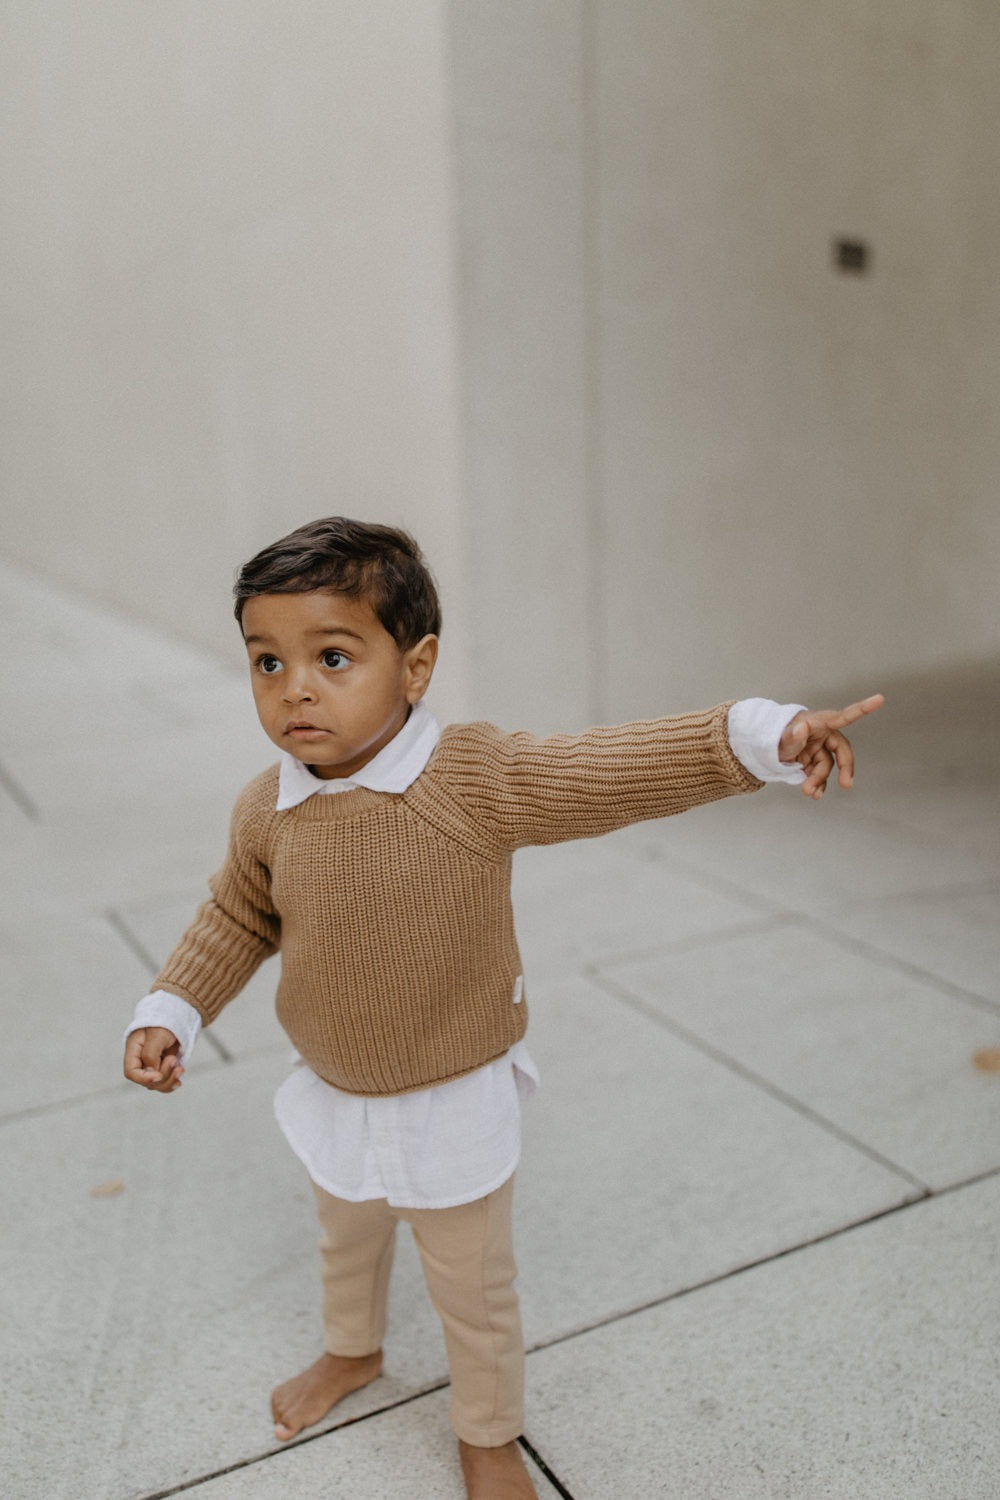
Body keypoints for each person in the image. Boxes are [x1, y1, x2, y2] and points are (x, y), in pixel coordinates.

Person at [122, 516, 884, 1500]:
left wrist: (753, 737)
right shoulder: (266, 810)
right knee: (343, 1240)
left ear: (417, 665)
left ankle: (487, 1431)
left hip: (451, 1097)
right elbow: (236, 915)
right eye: (267, 662)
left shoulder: (471, 780)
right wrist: (173, 1009)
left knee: (472, 1293)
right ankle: (351, 1352)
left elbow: (608, 769)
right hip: (336, 1088)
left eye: (334, 656)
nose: (295, 687)